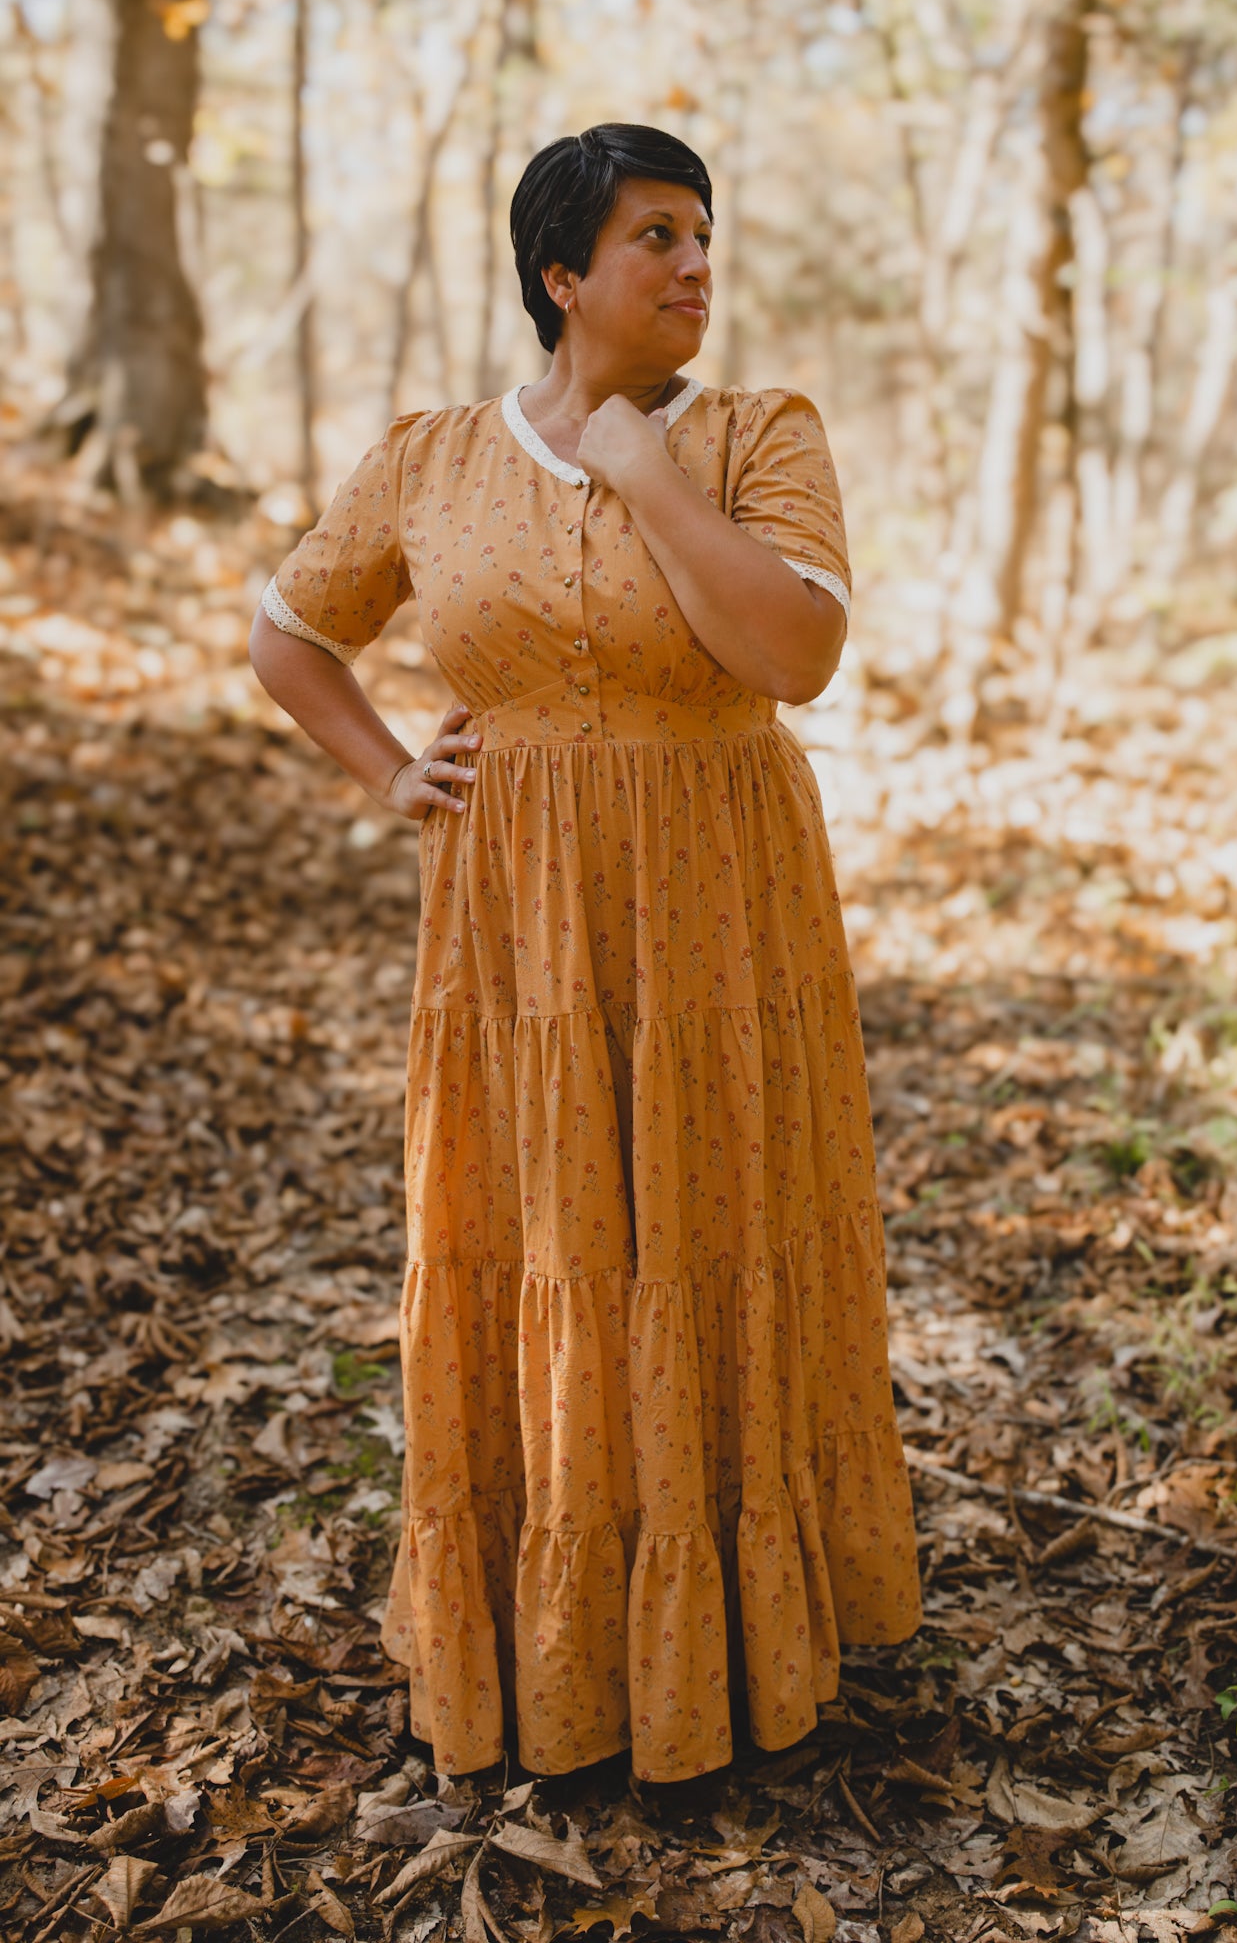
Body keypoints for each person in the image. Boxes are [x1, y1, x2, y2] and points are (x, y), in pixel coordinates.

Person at [249, 122, 920, 1785]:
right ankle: (551, 1651)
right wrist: (390, 766)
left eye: (704, 233)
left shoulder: (760, 432)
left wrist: (639, 470)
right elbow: (287, 630)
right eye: (656, 237)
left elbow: (792, 651)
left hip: (723, 909)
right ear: (562, 276)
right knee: (539, 1238)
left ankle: (742, 1648)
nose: (697, 265)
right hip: (520, 929)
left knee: (715, 1221)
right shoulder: (429, 459)